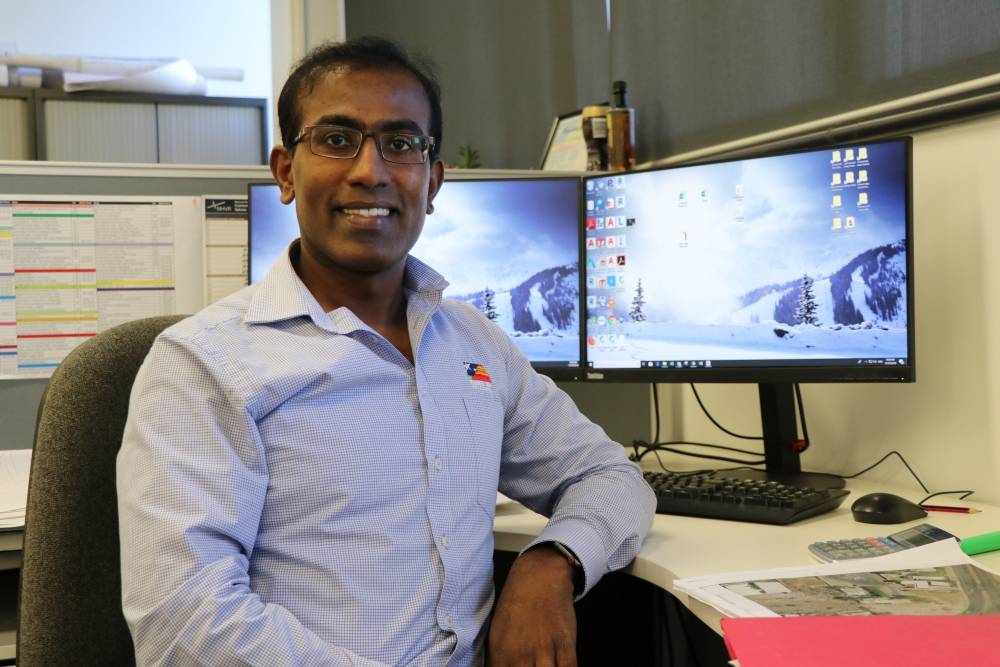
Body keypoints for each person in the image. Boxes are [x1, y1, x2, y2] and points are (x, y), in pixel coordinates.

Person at [117, 35, 655, 667]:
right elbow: (185, 623)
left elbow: (610, 478)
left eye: (401, 144)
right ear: (286, 171)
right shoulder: (204, 363)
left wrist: (552, 561)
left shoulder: (473, 344)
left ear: (432, 181)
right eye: (337, 139)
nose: (370, 170)